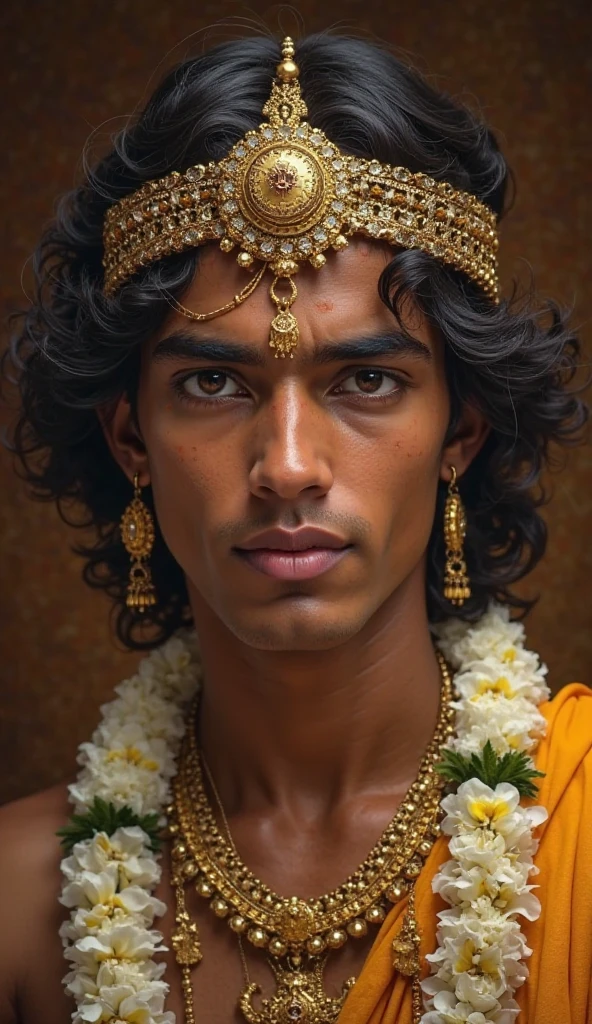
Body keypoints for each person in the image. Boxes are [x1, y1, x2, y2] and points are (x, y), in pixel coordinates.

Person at [0, 30, 590, 1024]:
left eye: (364, 380)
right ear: (131, 437)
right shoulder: (19, 903)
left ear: (461, 428)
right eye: (212, 382)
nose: (285, 465)